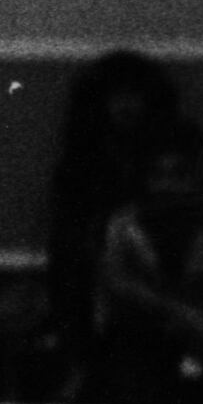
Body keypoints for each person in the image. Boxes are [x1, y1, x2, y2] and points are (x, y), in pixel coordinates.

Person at [46, 49, 185, 379]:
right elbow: (68, 243)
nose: (127, 105)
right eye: (118, 95)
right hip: (97, 280)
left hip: (160, 276)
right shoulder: (81, 163)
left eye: (135, 95)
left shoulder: (168, 158)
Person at [89, 116, 203, 404]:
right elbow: (117, 285)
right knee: (130, 348)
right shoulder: (124, 224)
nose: (169, 186)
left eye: (179, 175)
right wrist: (177, 313)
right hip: (150, 347)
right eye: (160, 175)